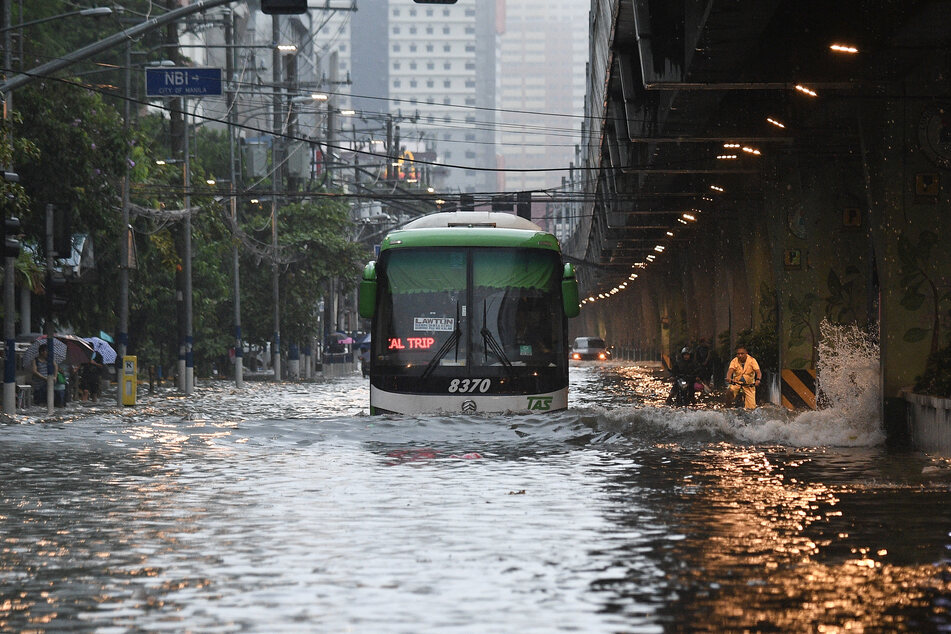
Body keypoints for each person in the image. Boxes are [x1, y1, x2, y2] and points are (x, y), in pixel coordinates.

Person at [725, 345, 762, 410]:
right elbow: (730, 370)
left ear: (746, 353)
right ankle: (728, 408)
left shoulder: (752, 360)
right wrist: (728, 378)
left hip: (749, 385)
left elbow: (758, 372)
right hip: (736, 383)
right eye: (738, 354)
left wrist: (758, 380)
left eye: (742, 354)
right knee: (729, 392)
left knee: (751, 408)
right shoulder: (734, 361)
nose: (740, 356)